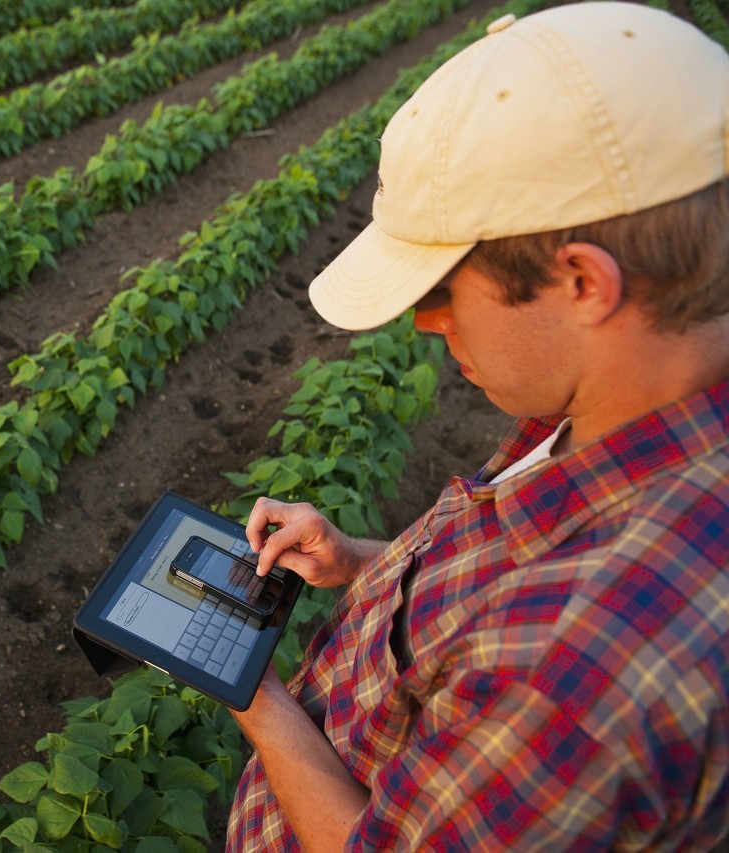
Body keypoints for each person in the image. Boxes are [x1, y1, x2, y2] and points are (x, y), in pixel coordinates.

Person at [224, 2, 729, 850]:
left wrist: (253, 695)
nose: (426, 323)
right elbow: (497, 594)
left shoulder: (584, 667)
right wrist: (361, 562)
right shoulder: (614, 406)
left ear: (582, 283)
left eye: (442, 291)